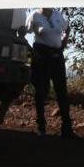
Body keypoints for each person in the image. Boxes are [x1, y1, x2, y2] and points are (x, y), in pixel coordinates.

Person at [26, 8, 73, 137]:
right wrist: (31, 50)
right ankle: (41, 126)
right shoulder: (34, 16)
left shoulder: (57, 15)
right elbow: (22, 32)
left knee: (62, 91)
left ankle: (67, 128)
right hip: (41, 55)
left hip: (57, 55)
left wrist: (65, 40)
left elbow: (67, 28)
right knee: (41, 91)